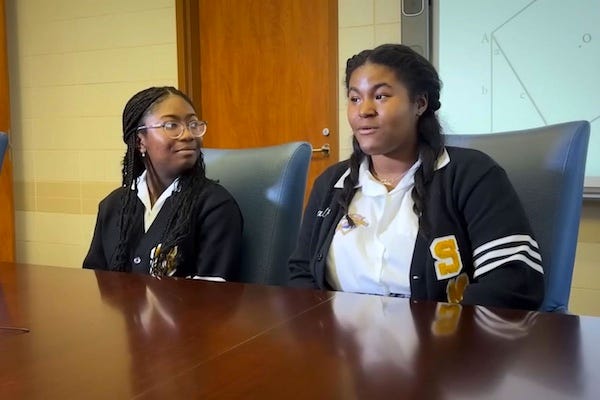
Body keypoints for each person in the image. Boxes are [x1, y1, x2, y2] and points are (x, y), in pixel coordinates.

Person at [288, 44, 544, 310]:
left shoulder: (472, 175)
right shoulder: (332, 183)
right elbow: (302, 272)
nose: (364, 110)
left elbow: (513, 283)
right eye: (354, 98)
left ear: (419, 103)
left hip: (443, 344)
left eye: (381, 96)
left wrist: (441, 340)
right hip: (336, 345)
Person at [83, 86, 243, 279]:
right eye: (171, 125)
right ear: (140, 141)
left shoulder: (214, 205)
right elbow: (94, 284)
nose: (188, 135)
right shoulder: (113, 206)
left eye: (193, 124)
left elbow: (214, 296)